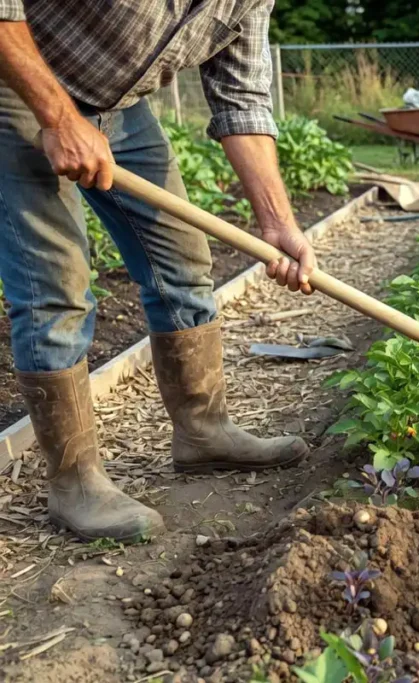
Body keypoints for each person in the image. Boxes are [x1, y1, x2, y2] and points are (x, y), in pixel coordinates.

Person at [0, 1, 317, 543]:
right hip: (15, 79)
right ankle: (74, 482)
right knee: (56, 282)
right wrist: (58, 117)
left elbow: (241, 97)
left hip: (115, 106)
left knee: (183, 260)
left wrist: (278, 222)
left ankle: (203, 430)